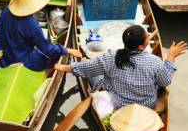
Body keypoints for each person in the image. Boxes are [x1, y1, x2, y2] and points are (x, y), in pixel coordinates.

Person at [55, 25, 187, 108]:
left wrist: (61, 67)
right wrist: (171, 57)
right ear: (141, 46)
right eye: (147, 38)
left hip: (117, 105)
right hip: (146, 106)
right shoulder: (155, 62)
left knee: (88, 67)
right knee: (95, 68)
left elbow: (85, 69)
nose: (148, 39)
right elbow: (164, 82)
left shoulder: (111, 57)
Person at [0, 0, 82, 71]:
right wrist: (67, 50)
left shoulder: (5, 11)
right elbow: (48, 50)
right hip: (20, 62)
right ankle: (56, 66)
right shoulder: (30, 24)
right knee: (47, 58)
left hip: (2, 55)